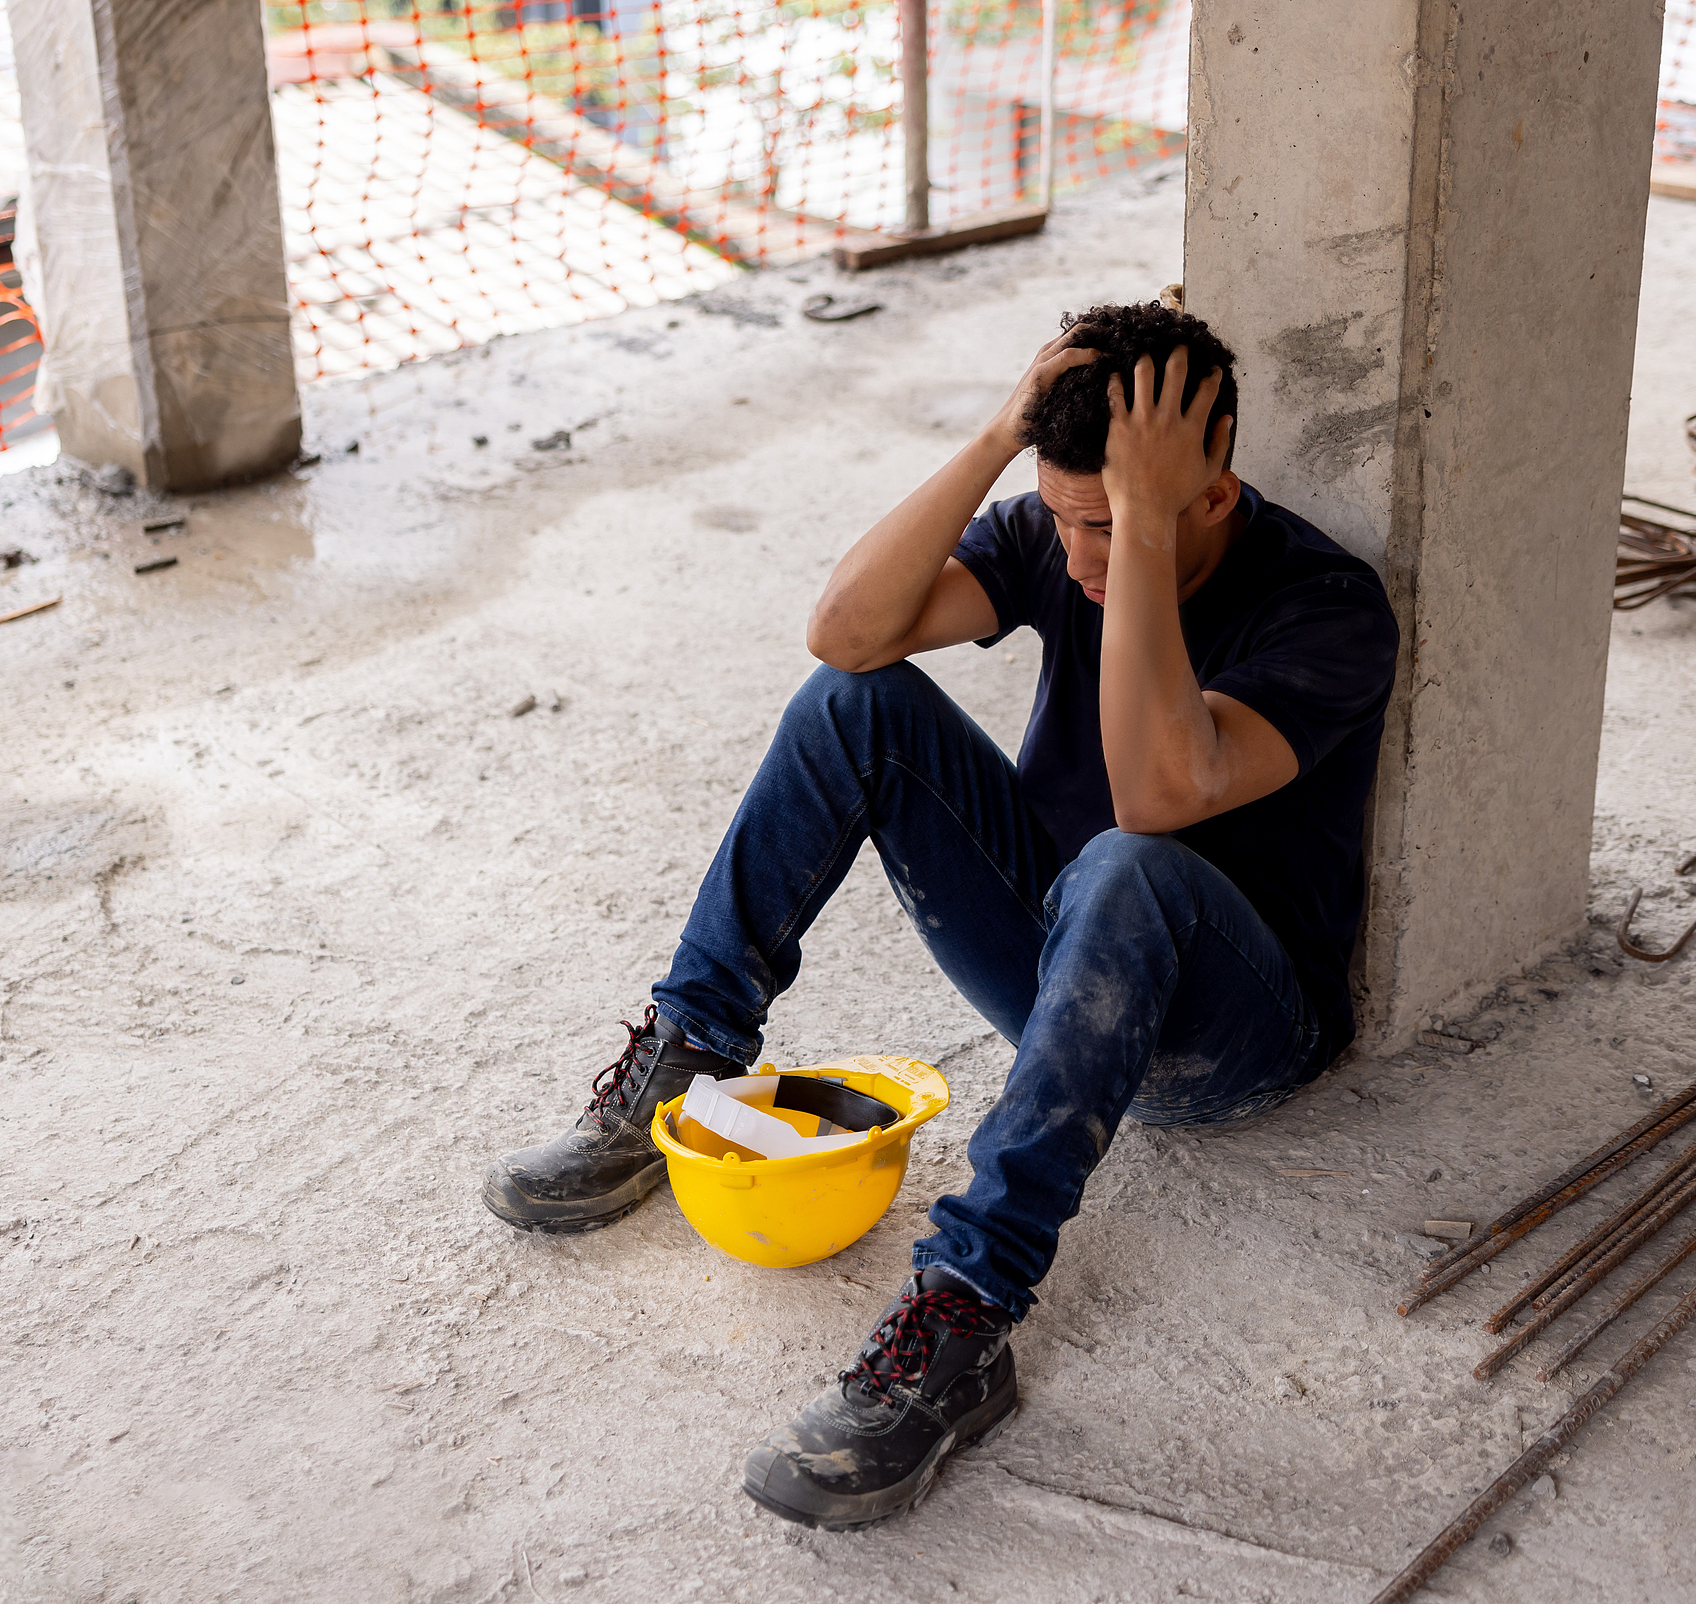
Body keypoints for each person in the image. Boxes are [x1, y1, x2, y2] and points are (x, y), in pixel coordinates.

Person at [482, 300, 1400, 1530]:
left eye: (1105, 522)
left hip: (1232, 1027)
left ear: (1214, 495)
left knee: (1128, 861)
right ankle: (686, 1055)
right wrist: (993, 437)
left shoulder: (1327, 607)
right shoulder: (1053, 534)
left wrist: (1134, 527)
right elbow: (844, 631)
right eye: (1060, 515)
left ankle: (962, 1315)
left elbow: (1156, 791)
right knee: (849, 700)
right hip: (1066, 966)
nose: (1076, 554)